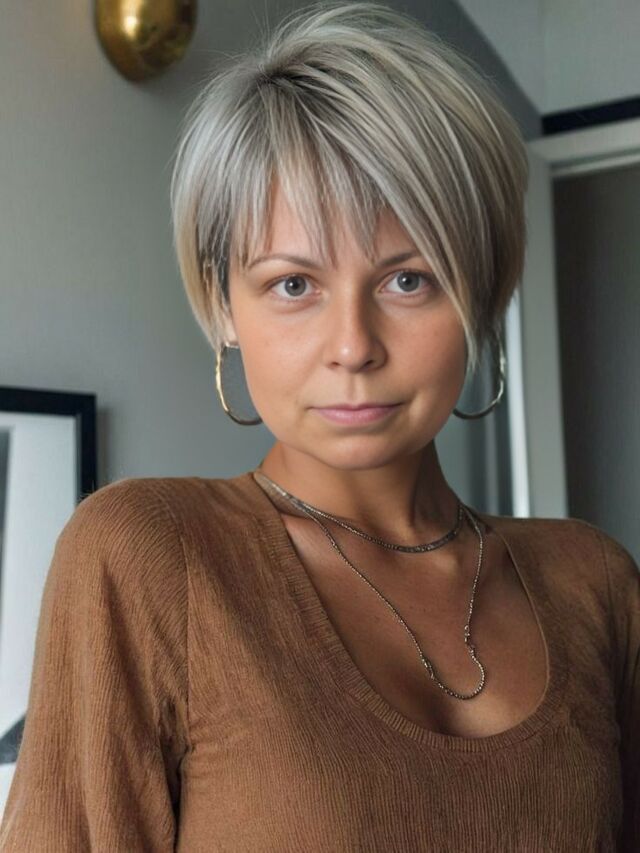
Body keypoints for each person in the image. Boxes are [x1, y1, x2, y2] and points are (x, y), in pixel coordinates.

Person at [1, 2, 638, 850]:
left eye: (408, 280)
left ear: (482, 295)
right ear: (224, 305)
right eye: (293, 285)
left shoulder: (596, 582)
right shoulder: (146, 555)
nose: (353, 346)